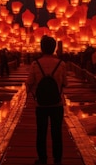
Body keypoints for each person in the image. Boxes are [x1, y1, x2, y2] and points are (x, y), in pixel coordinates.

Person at [26, 36, 67, 165]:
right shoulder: (61, 64)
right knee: (57, 132)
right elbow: (65, 83)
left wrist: (33, 94)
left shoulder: (35, 64)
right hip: (57, 103)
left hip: (41, 104)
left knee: (41, 131)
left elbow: (29, 83)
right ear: (54, 48)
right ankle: (57, 159)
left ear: (41, 48)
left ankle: (42, 158)